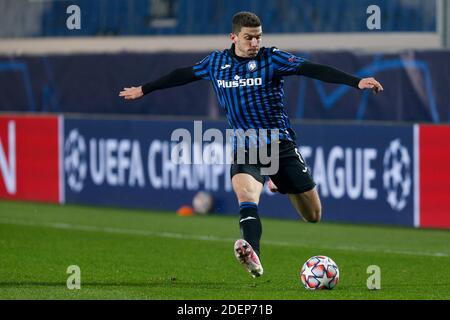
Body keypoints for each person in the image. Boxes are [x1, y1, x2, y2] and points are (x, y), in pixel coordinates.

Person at [119, 11, 383, 278]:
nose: (255, 43)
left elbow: (312, 69)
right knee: (246, 196)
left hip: (280, 144)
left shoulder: (273, 58)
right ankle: (253, 255)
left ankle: (279, 183)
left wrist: (355, 82)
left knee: (313, 215)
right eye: (249, 38)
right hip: (246, 144)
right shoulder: (216, 62)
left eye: (258, 37)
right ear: (233, 37)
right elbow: (182, 74)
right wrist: (145, 89)